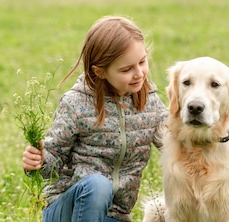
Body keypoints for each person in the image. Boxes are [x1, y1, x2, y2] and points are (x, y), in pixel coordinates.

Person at [21, 16, 167, 222]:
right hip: (66, 210)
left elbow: (175, 140)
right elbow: (52, 163)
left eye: (142, 62)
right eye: (126, 69)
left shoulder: (149, 100)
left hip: (114, 215)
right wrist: (39, 161)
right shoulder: (76, 104)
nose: (139, 74)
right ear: (100, 71)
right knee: (98, 186)